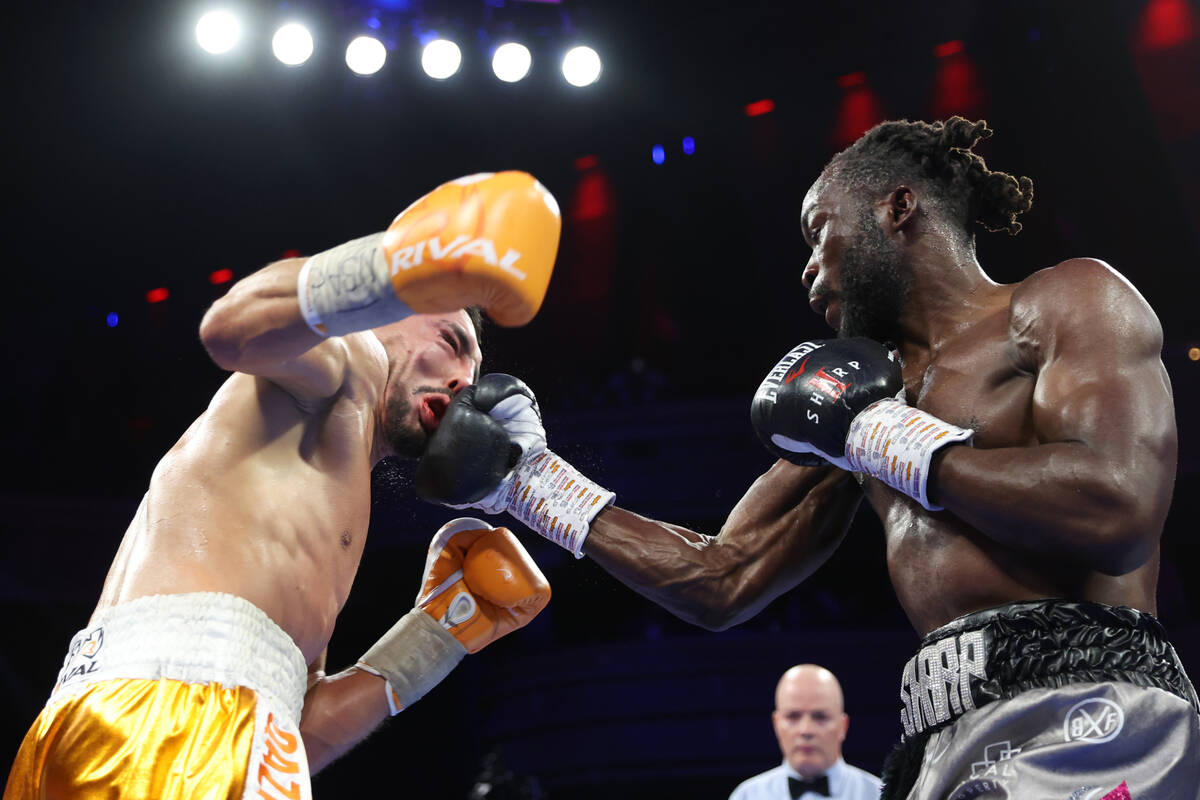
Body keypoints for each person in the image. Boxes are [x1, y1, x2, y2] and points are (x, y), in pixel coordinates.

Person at [418, 119, 1200, 799]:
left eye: (819, 231)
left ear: (898, 207)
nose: (807, 268)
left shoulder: (1062, 302)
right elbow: (723, 577)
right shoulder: (863, 400)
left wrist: (887, 440)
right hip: (943, 739)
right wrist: (530, 481)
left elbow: (1117, 510)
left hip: (1090, 713)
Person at [3, 170, 561, 799]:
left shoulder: (326, 488)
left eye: (475, 374)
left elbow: (294, 734)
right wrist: (398, 265)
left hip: (136, 729)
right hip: (173, 724)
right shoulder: (350, 361)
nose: (465, 382)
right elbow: (231, 327)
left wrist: (437, 635)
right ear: (390, 313)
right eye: (452, 342)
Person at [729, 665, 881, 800]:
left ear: (843, 726)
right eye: (793, 717)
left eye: (820, 717)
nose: (806, 730)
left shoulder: (879, 795)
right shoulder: (746, 796)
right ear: (776, 724)